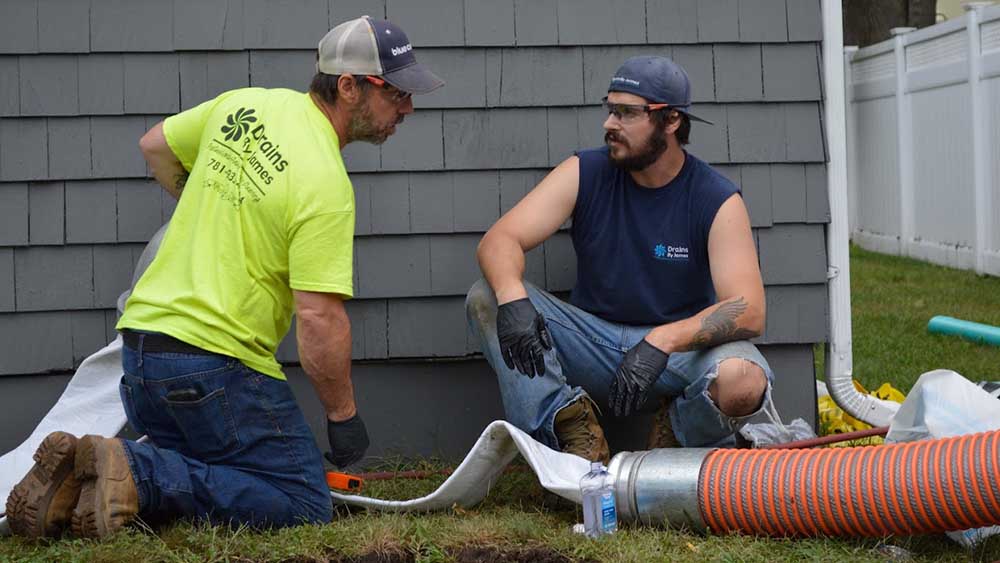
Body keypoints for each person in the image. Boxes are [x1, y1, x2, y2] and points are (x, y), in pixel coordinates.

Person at [6, 16, 443, 538]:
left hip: (141, 361)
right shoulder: (326, 183)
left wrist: (214, 204)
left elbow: (154, 146)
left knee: (218, 470)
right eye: (395, 93)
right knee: (303, 500)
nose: (408, 109)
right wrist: (344, 419)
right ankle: (140, 472)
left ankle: (79, 484)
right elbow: (319, 318)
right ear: (348, 87)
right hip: (212, 372)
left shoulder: (246, 104)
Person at [466, 56, 772, 464]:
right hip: (592, 343)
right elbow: (500, 239)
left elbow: (749, 310)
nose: (611, 124)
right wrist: (512, 298)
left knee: (744, 380)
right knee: (486, 296)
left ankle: (676, 439)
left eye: (628, 113)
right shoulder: (586, 171)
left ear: (671, 121)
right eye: (611, 110)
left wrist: (663, 340)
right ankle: (573, 435)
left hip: (677, 356)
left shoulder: (715, 198)